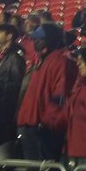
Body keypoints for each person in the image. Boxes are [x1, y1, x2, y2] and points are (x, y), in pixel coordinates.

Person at [17, 23, 78, 161]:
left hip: (44, 127)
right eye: (34, 38)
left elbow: (61, 97)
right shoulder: (42, 59)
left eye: (40, 38)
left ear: (50, 39)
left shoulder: (62, 60)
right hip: (31, 123)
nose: (35, 41)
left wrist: (47, 123)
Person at [0, 22, 25, 150]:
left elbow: (15, 85)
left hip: (6, 111)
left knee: (4, 145)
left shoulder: (15, 57)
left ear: (9, 36)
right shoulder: (2, 56)